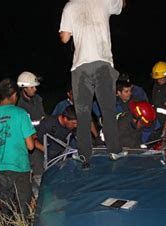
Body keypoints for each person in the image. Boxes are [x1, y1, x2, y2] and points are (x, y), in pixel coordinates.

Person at [59, 0, 128, 169]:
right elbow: (122, 5)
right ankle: (114, 150)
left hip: (81, 67)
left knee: (82, 114)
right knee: (108, 110)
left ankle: (84, 154)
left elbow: (64, 38)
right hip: (103, 63)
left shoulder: (70, 6)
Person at [0, 78, 36, 219]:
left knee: (7, 211)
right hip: (20, 169)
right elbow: (31, 146)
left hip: (1, 170)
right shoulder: (21, 113)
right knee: (23, 209)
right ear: (14, 94)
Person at [32, 105, 78, 198]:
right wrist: (45, 150)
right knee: (41, 184)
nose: (75, 126)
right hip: (41, 156)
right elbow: (32, 140)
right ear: (65, 119)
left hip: (59, 158)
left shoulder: (71, 128)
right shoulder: (47, 123)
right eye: (73, 123)